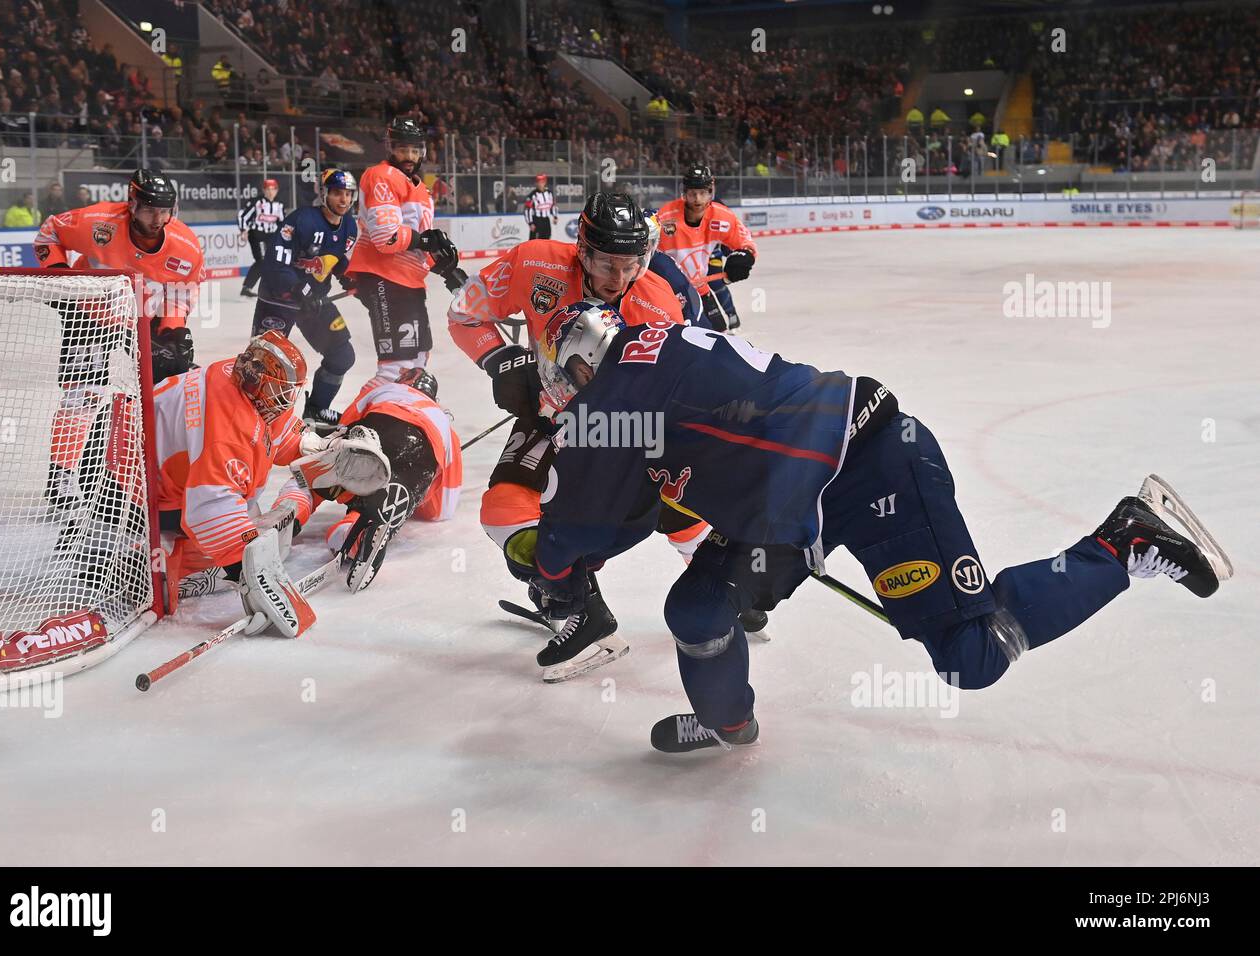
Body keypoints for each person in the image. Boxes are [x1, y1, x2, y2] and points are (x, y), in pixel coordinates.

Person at [528, 307, 1234, 752]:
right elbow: (632, 510)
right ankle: (727, 723)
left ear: (583, 365)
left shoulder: (614, 395)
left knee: (972, 653)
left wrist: (555, 579)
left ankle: (1123, 543)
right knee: (698, 607)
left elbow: (573, 522)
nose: (563, 398)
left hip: (873, 466)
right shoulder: (645, 358)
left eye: (565, 380)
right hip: (795, 492)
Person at [446, 191, 706, 681]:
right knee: (504, 511)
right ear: (582, 249)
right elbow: (465, 314)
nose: (618, 278)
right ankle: (578, 601)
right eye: (607, 262)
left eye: (630, 264)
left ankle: (717, 572)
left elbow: (677, 397)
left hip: (621, 430)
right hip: (548, 412)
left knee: (672, 503)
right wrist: (502, 361)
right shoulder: (533, 263)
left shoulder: (658, 305)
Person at [154, 331, 388, 635]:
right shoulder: (225, 425)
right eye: (283, 392)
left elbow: (279, 433)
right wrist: (252, 574)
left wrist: (320, 451)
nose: (286, 401)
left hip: (151, 469)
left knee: (259, 530)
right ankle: (158, 559)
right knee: (251, 542)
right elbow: (211, 506)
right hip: (129, 494)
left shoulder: (246, 381)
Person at [274, 366, 461, 593]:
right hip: (421, 456)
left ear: (405, 381)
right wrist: (415, 498)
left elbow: (346, 425)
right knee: (375, 509)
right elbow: (442, 509)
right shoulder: (445, 426)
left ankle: (285, 515)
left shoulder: (386, 389)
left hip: (377, 426)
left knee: (314, 479)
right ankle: (358, 528)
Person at [33, 168, 205, 382]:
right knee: (82, 391)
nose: (157, 219)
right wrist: (62, 277)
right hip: (89, 315)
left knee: (164, 381)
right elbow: (50, 231)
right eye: (149, 210)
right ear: (132, 204)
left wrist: (172, 329)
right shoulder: (99, 222)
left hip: (142, 317)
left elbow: (181, 294)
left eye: (164, 211)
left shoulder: (186, 247)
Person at [346, 117, 461, 377]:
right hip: (383, 277)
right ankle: (371, 416)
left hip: (408, 281)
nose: (409, 156)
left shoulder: (422, 190)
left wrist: (447, 268)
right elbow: (386, 237)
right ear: (390, 149)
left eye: (414, 150)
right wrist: (425, 240)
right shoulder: (381, 176)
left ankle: (408, 412)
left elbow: (421, 242)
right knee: (397, 366)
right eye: (402, 149)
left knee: (418, 358)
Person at [254, 167, 360, 432]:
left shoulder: (349, 226)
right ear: (324, 194)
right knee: (264, 365)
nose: (344, 200)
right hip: (279, 299)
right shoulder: (301, 220)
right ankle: (252, 420)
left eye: (348, 194)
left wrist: (349, 278)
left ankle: (315, 411)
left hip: (313, 301)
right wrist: (303, 292)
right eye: (337, 193)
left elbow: (334, 258)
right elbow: (274, 264)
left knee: (341, 354)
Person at [655, 164, 757, 331]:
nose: (697, 199)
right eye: (692, 193)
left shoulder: (722, 215)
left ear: (711, 192)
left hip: (700, 290)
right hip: (670, 295)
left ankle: (731, 314)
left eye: (703, 193)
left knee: (719, 335)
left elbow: (744, 241)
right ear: (685, 193)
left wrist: (744, 255)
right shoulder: (665, 216)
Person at [237, 178, 284, 298]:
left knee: (273, 261)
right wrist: (243, 230)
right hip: (257, 234)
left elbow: (282, 222)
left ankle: (271, 288)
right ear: (263, 190)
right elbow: (242, 216)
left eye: (273, 189)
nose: (270, 192)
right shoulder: (256, 202)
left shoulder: (279, 204)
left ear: (277, 190)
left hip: (271, 236)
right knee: (262, 261)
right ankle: (247, 288)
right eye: (268, 189)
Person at [523, 173, 557, 240]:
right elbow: (527, 210)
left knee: (546, 240)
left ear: (545, 182)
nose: (539, 184)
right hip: (536, 220)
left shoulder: (549, 193)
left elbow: (553, 205)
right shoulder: (532, 195)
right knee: (534, 242)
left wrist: (555, 216)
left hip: (546, 220)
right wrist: (530, 223)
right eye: (538, 182)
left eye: (541, 182)